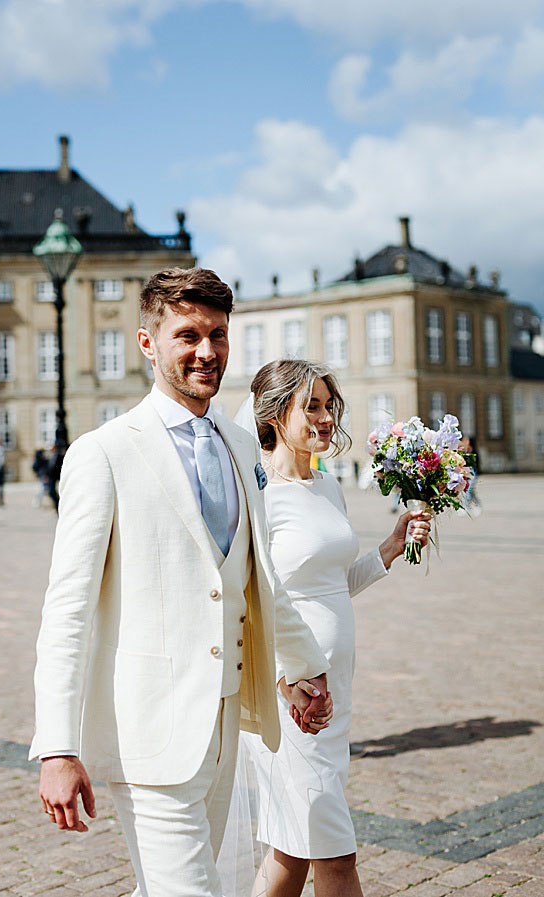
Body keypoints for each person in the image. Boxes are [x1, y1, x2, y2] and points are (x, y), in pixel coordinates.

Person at [32, 267, 334, 897]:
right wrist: (57, 746)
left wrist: (303, 671)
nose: (207, 351)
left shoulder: (240, 444)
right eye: (188, 335)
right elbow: (67, 609)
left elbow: (260, 579)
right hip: (149, 731)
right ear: (148, 342)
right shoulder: (104, 452)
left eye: (218, 335)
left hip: (227, 722)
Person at [233, 360, 431, 897]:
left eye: (328, 406)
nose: (324, 419)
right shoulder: (258, 497)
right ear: (275, 416)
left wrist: (390, 547)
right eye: (311, 407)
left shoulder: (326, 487)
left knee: (293, 853)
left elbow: (334, 585)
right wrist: (285, 679)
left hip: (335, 687)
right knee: (335, 854)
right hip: (294, 691)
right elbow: (249, 604)